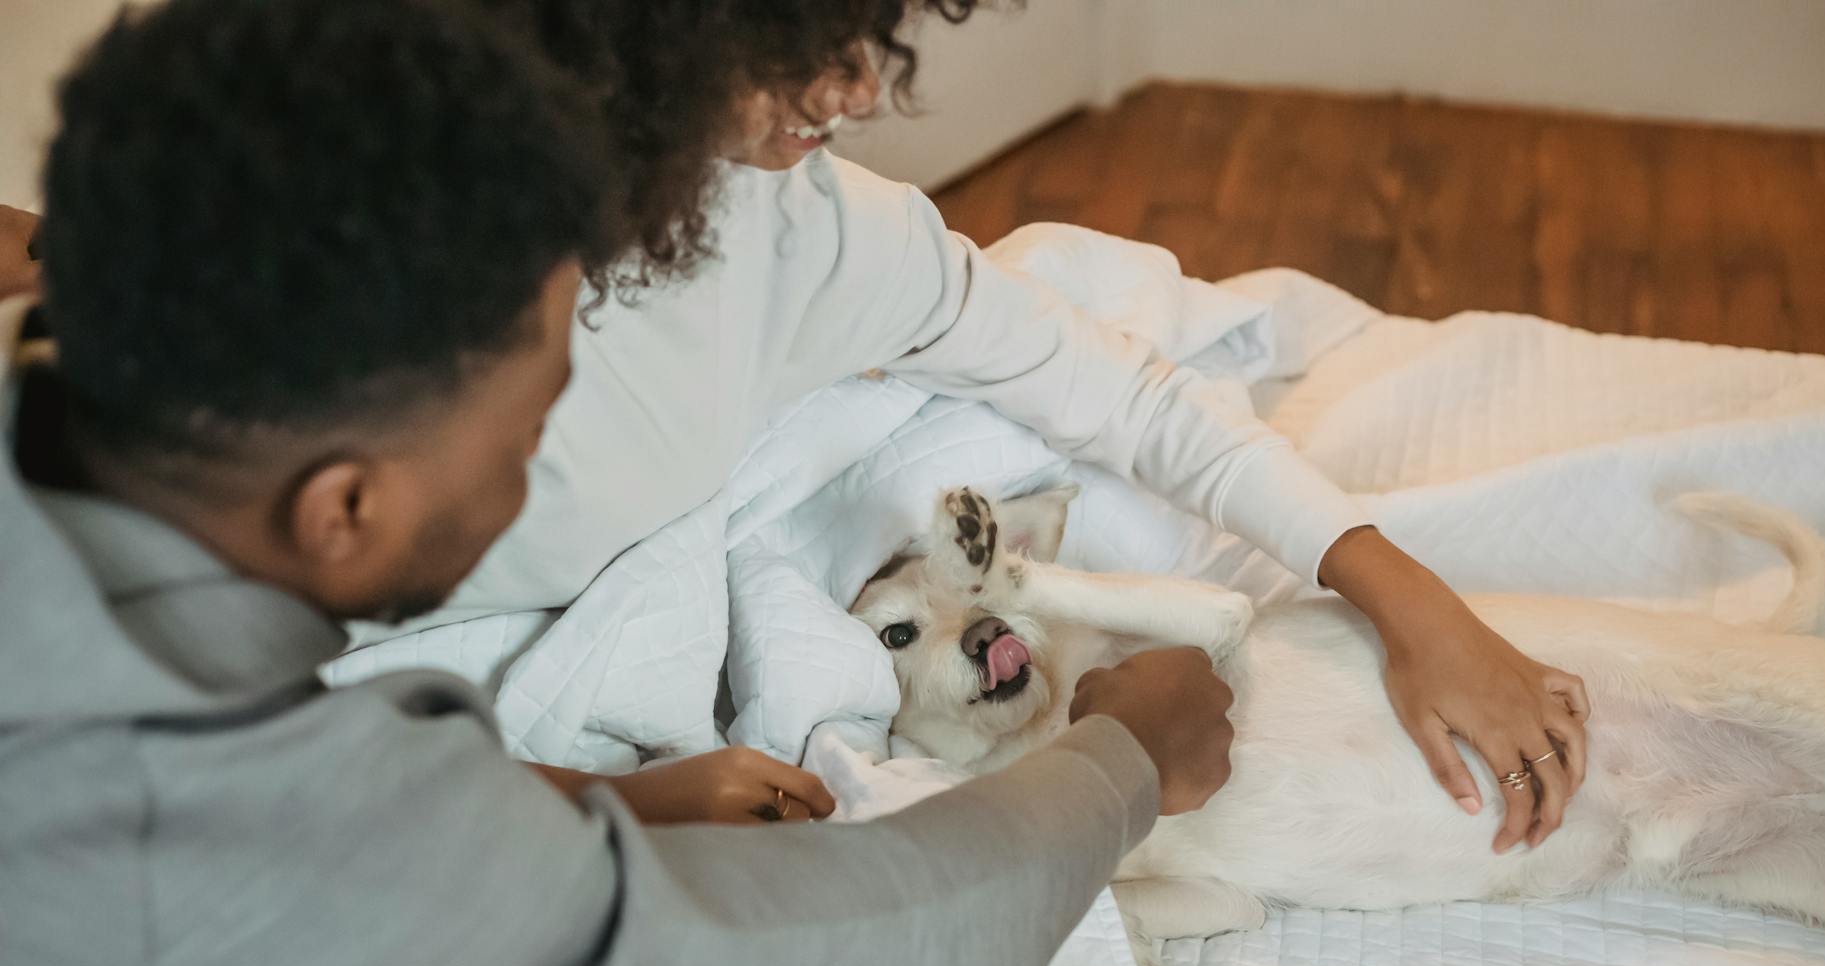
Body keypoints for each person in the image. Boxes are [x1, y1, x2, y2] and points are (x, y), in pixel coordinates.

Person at [0, 2, 1236, 966]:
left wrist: (600, 795)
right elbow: (863, 955)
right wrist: (1120, 756)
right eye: (531, 430)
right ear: (344, 507)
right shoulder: (247, 865)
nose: (550, 459)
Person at [422, 0, 1593, 856]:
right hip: (436, 766)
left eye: (867, 29)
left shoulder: (808, 230)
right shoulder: (399, 318)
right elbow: (255, 758)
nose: (856, 91)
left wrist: (1407, 597)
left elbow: (1124, 394)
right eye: (790, 43)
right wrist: (608, 802)